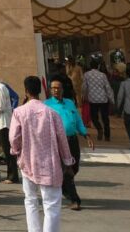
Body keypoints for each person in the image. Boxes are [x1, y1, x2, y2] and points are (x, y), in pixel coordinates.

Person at [10, 76, 75, 232]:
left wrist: (16, 151)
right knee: (51, 204)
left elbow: (13, 138)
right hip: (50, 165)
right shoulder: (52, 113)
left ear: (26, 91)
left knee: (30, 200)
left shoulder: (19, 112)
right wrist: (68, 162)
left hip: (27, 163)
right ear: (40, 91)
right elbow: (62, 140)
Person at [45, 78, 94, 211]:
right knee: (67, 171)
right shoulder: (47, 105)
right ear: (50, 90)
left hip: (72, 140)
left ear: (62, 90)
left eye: (58, 88)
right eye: (53, 88)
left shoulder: (70, 103)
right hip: (58, 142)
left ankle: (63, 188)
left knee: (74, 167)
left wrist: (86, 134)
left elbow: (78, 120)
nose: (55, 90)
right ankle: (74, 200)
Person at [82, 59, 115, 141]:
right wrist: (112, 99)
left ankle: (99, 128)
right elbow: (107, 87)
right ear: (98, 66)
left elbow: (84, 87)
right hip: (103, 99)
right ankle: (107, 136)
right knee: (105, 118)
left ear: (90, 66)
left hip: (92, 99)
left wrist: (84, 97)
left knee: (94, 117)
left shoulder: (86, 75)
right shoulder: (103, 75)